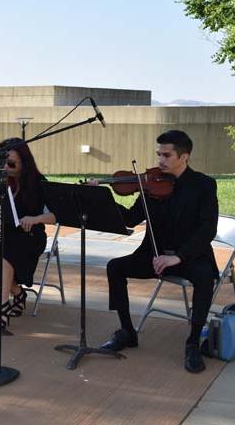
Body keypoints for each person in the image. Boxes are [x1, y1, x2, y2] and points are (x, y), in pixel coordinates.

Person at [96, 130, 218, 373]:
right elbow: (130, 218)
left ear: (184, 157)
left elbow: (207, 230)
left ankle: (193, 343)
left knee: (205, 277)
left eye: (167, 155)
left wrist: (178, 256)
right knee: (115, 267)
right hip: (153, 255)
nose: (160, 160)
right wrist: (102, 199)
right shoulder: (151, 184)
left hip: (188, 256)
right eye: (158, 154)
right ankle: (127, 332)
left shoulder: (203, 185)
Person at [0, 137, 56, 331]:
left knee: (4, 258)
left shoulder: (38, 183)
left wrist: (35, 218)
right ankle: (19, 294)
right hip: (4, 233)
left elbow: (54, 215)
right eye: (3, 162)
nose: (6, 167)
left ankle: (2, 309)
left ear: (24, 161)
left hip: (29, 236)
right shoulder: (0, 179)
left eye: (12, 163)